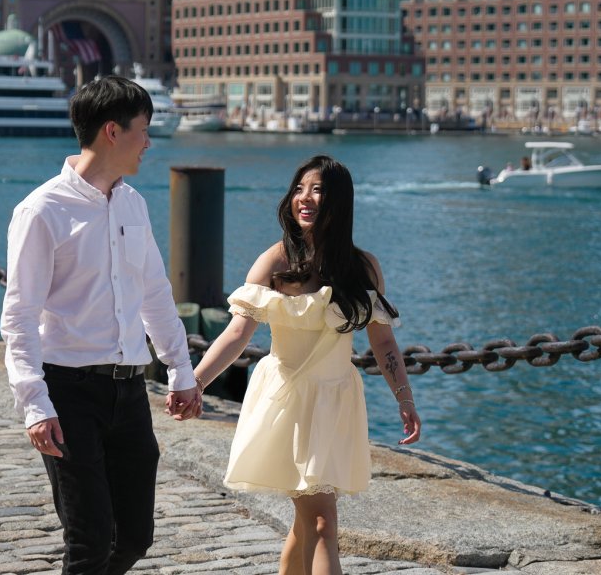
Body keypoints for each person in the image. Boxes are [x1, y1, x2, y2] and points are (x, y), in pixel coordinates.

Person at [171, 155, 422, 575]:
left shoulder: (363, 268)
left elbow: (383, 339)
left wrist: (405, 397)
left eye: (318, 190)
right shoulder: (274, 262)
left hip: (336, 401)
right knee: (322, 521)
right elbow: (236, 335)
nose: (304, 198)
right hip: (287, 402)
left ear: (339, 202)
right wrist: (194, 382)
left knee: (306, 524)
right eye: (300, 189)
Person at [1, 75, 201, 575]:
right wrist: (34, 404)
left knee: (134, 537)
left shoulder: (133, 203)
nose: (149, 142)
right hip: (68, 393)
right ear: (112, 131)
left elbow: (154, 292)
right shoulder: (41, 211)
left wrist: (181, 370)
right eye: (144, 129)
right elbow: (19, 315)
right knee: (88, 544)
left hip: (129, 393)